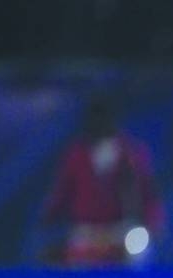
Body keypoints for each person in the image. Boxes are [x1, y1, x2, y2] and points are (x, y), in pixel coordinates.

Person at [40, 94, 165, 267]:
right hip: (87, 230)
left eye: (103, 117)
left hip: (122, 229)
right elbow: (62, 193)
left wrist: (154, 220)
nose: (99, 123)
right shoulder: (76, 156)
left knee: (140, 254)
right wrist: (48, 216)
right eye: (94, 118)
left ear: (113, 119)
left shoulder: (132, 153)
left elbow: (149, 192)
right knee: (74, 258)